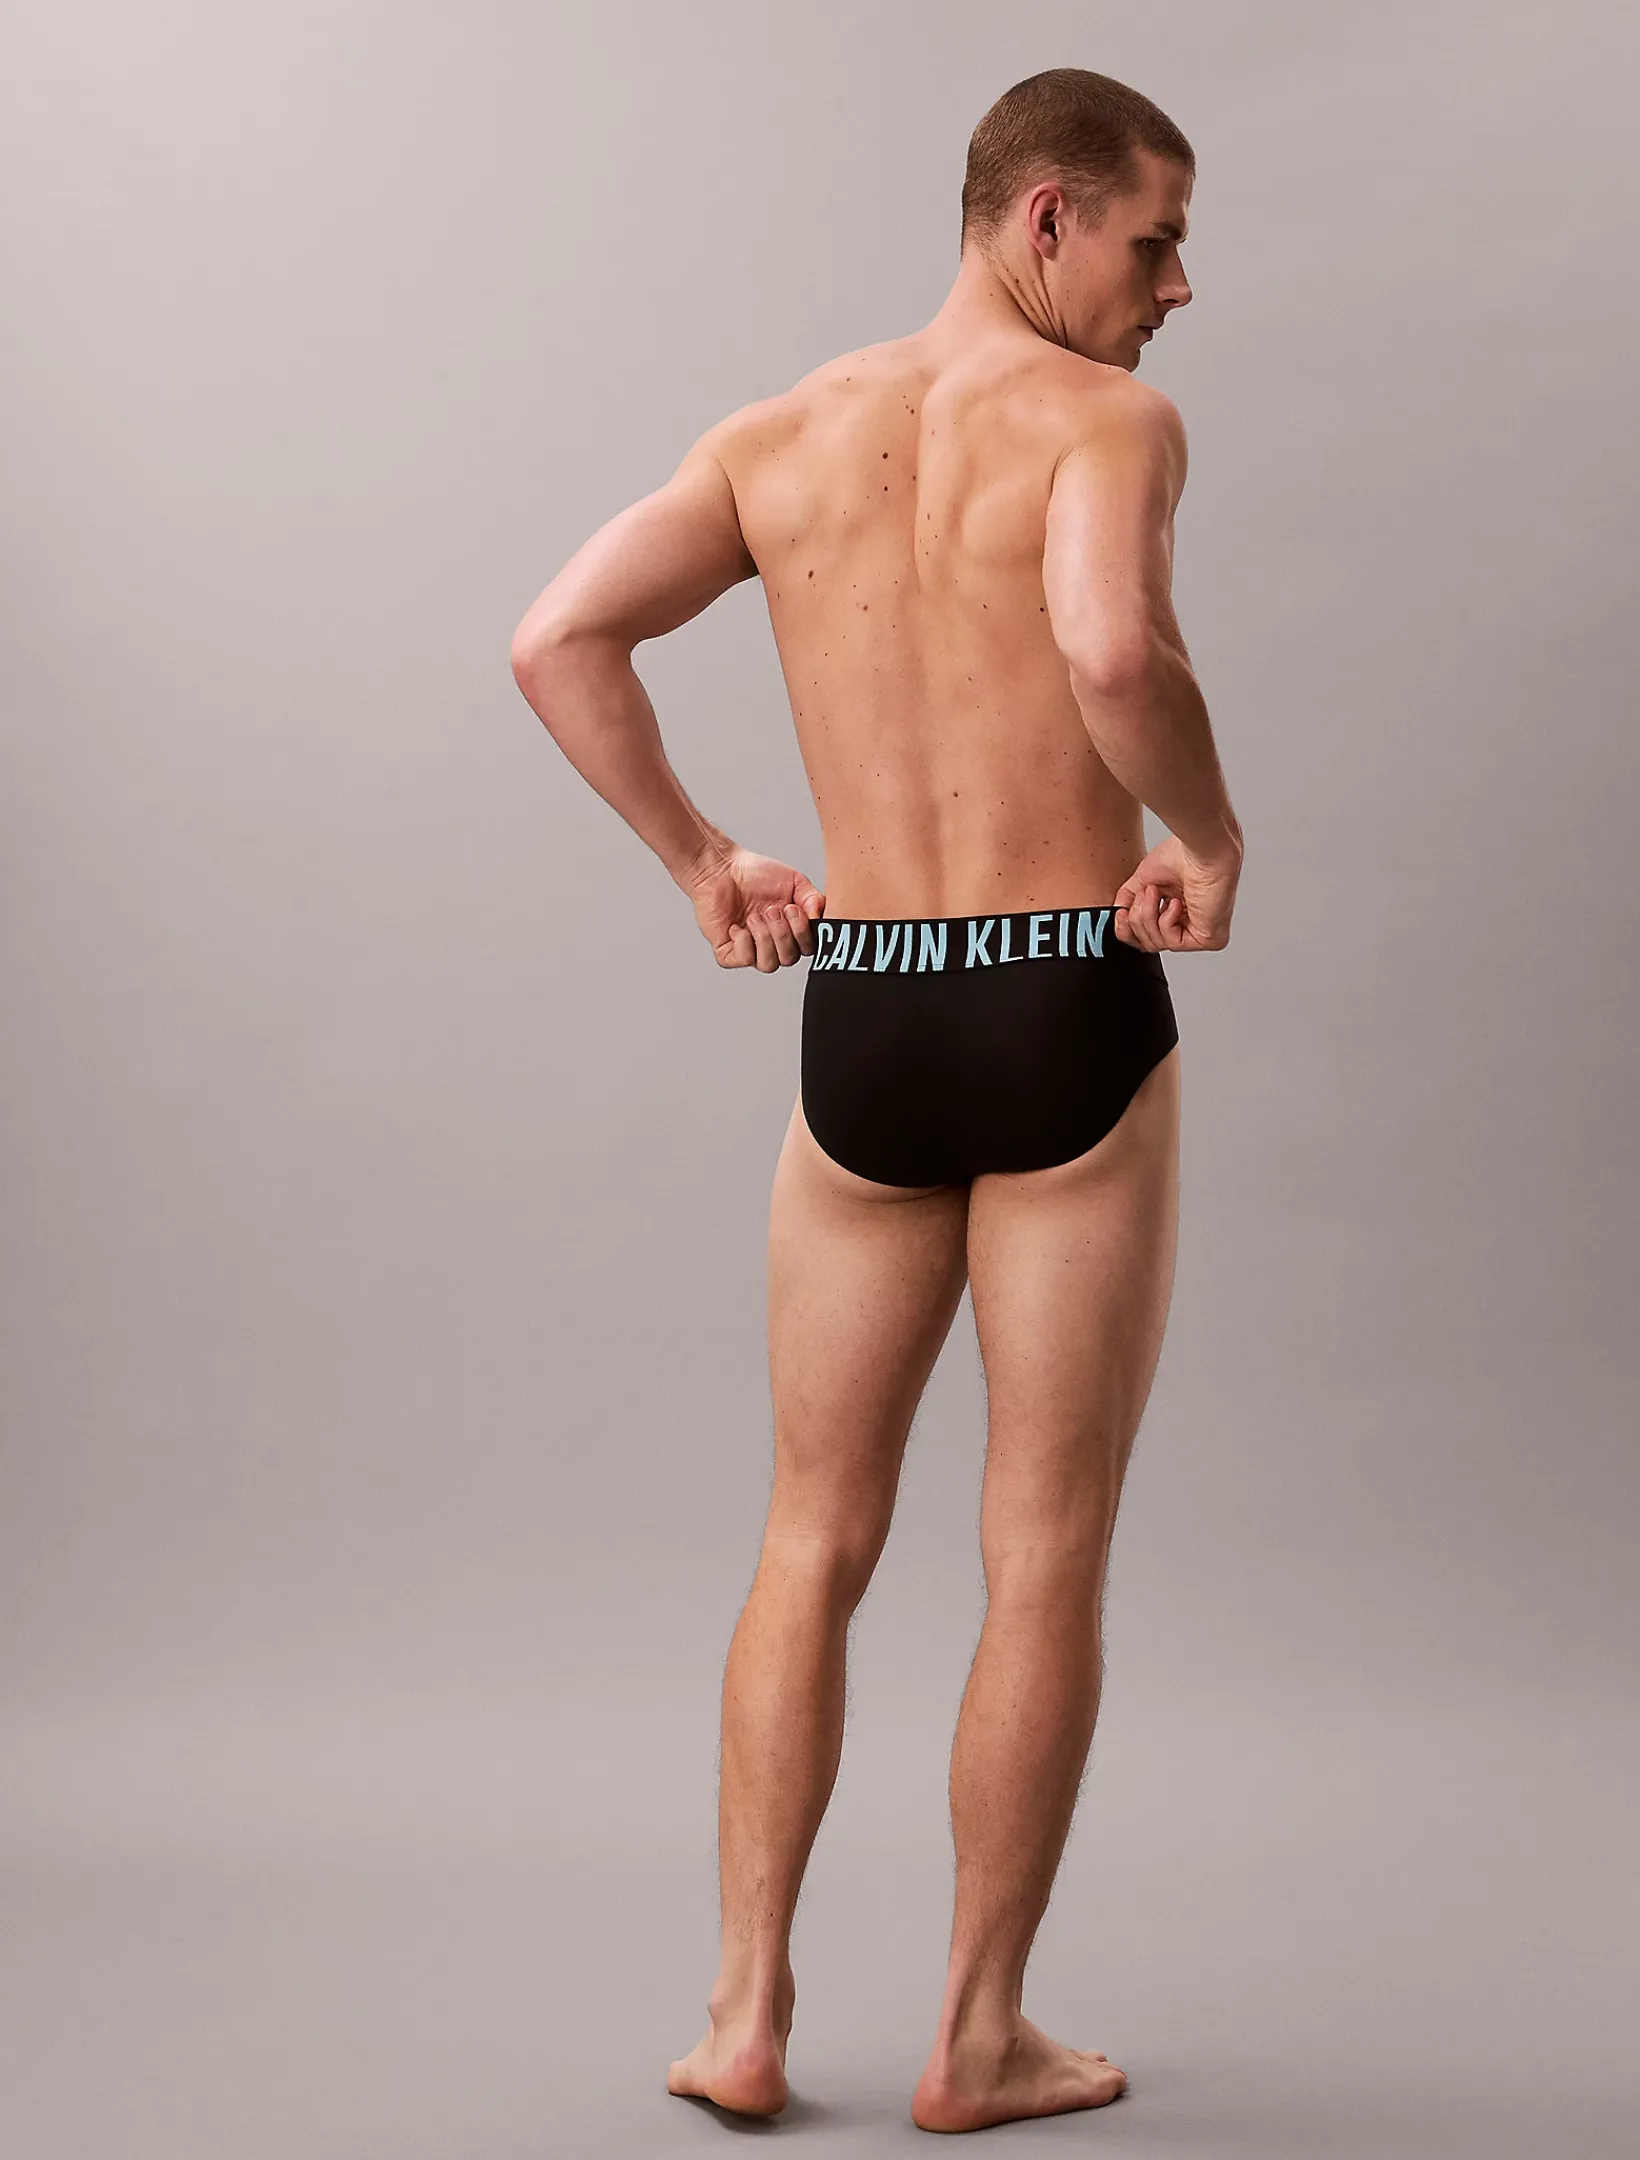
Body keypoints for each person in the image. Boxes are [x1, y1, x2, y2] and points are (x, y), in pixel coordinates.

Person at [509, 64, 1243, 2136]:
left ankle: (742, 2017)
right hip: (1061, 999)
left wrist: (703, 863)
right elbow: (1111, 652)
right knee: (1043, 1551)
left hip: (867, 1018)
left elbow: (558, 639)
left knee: (809, 1533)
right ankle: (976, 2035)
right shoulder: (1104, 424)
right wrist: (1210, 837)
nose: (1178, 289)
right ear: (1044, 221)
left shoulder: (778, 436)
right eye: (1156, 241)